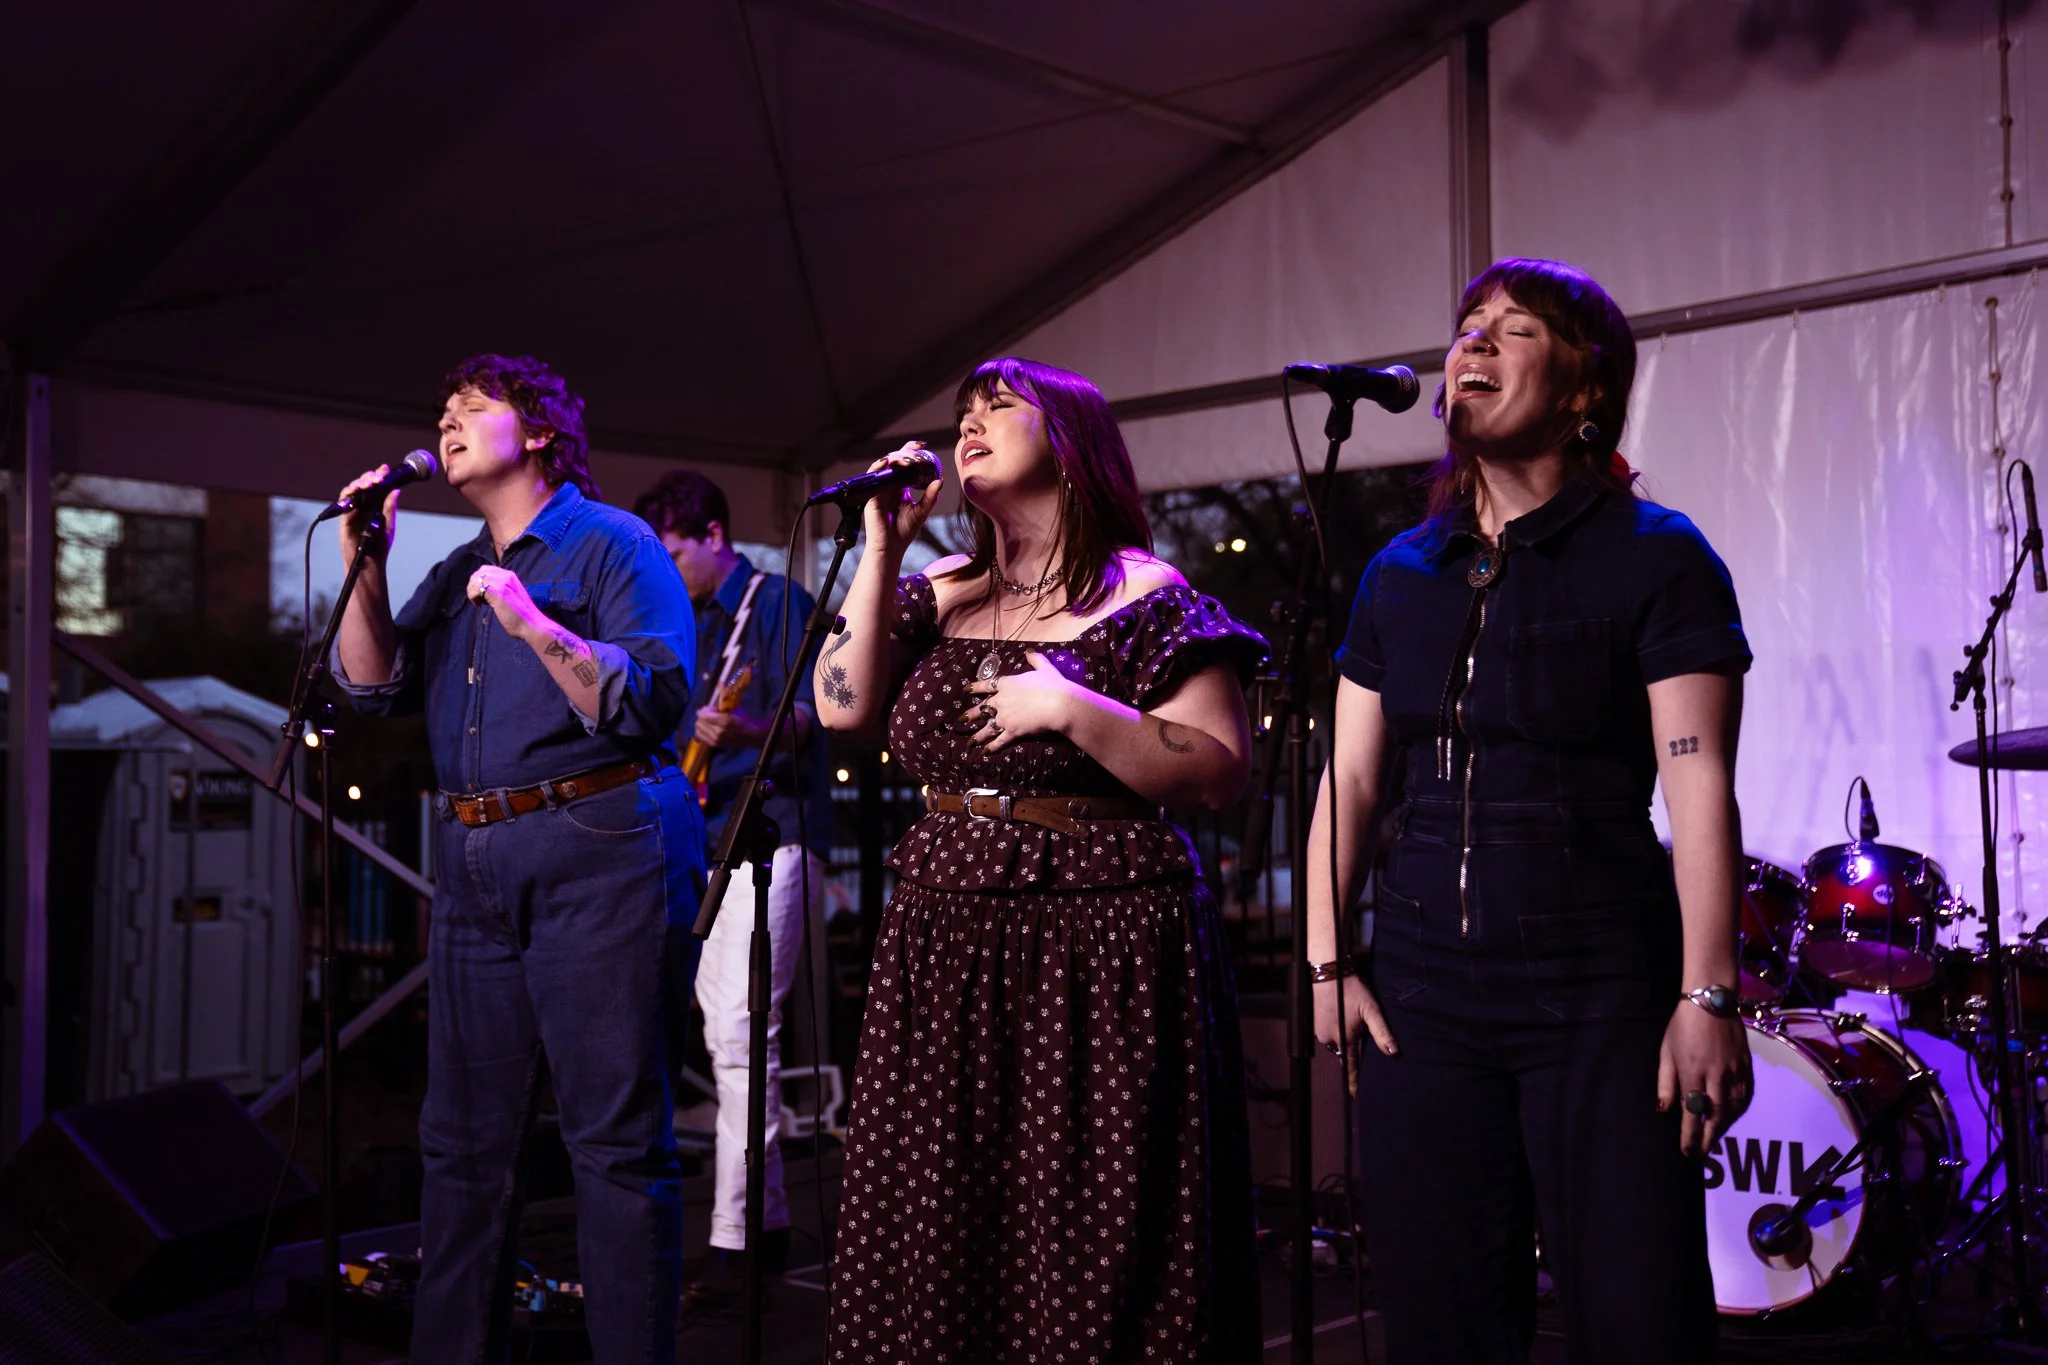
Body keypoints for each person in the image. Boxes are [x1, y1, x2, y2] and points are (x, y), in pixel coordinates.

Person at [1306, 258, 1753, 1365]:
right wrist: (1326, 959)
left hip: (1599, 990)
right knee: (1440, 1315)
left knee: (1635, 1313)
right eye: (1465, 328)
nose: (1472, 347)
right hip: (1422, 994)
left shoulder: (1656, 556)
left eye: (1511, 331)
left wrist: (1707, 992)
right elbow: (1351, 781)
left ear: (1585, 387)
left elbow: (1697, 784)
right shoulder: (1400, 573)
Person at [817, 357, 1267, 1362]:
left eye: (998, 409)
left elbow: (1216, 772)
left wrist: (1072, 707)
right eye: (962, 414)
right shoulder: (938, 592)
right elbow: (839, 706)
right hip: (945, 936)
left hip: (1095, 940)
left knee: (1086, 1220)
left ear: (1068, 448)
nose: (969, 426)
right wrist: (879, 550)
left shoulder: (1143, 593)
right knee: (946, 1213)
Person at [333, 354, 703, 1365]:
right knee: (459, 1151)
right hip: (474, 859)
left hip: (597, 846)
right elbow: (368, 692)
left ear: (538, 432)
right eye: (441, 405)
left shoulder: (614, 543)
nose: (447, 418)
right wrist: (370, 559)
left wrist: (534, 623)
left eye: (474, 405)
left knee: (616, 1147)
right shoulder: (453, 574)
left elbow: (655, 701)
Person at [630, 469, 832, 1295]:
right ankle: (766, 1225)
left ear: (713, 535)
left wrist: (744, 725)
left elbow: (816, 715)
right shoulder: (683, 617)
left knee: (746, 1035)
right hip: (702, 839)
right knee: (725, 1039)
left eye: (675, 549)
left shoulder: (775, 602)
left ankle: (736, 1241)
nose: (667, 565)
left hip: (772, 839)